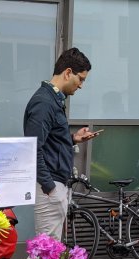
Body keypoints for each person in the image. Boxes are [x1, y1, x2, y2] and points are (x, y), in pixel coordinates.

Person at [23, 47, 97, 241]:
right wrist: (51, 188)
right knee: (45, 253)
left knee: (48, 253)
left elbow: (47, 142)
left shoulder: (52, 100)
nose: (81, 85)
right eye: (81, 79)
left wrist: (72, 139)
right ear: (68, 73)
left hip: (54, 185)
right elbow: (32, 150)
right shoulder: (44, 103)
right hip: (50, 187)